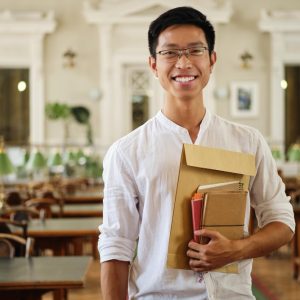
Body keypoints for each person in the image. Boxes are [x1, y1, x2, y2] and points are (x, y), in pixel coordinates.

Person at [99, 6, 295, 299]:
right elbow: (116, 245)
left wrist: (236, 250)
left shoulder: (248, 142)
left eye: (195, 50)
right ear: (153, 65)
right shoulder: (127, 152)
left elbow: (282, 222)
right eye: (170, 52)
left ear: (212, 60)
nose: (184, 62)